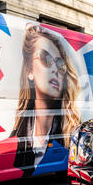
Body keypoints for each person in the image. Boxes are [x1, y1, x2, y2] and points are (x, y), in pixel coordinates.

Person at [11, 23, 81, 176]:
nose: (55, 69)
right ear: (29, 70)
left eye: (60, 64)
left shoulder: (72, 133)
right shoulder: (16, 137)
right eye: (45, 58)